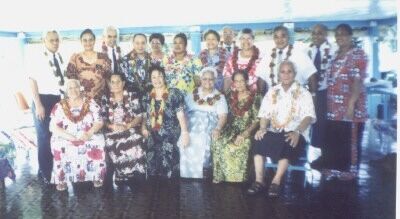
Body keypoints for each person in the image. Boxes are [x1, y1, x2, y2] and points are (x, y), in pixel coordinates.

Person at [247, 61, 316, 197]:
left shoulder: (303, 93)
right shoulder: (272, 91)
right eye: (282, 71)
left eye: (289, 71)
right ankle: (259, 181)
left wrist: (297, 132)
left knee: (288, 139)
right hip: (274, 130)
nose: (286, 75)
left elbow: (308, 117)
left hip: (295, 131)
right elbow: (265, 113)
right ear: (278, 74)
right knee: (258, 139)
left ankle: (276, 182)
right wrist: (262, 128)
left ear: (294, 74)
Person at [324, 23, 368, 181]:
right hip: (334, 107)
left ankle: (351, 171)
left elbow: (357, 82)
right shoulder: (336, 55)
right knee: (338, 139)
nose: (339, 37)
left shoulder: (358, 54)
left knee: (352, 139)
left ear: (350, 36)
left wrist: (351, 105)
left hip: (351, 106)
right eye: (337, 34)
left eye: (343, 34)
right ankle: (337, 168)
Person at [49, 79, 106, 191]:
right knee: (58, 145)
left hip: (87, 133)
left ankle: (96, 176)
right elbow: (53, 127)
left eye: (76, 87)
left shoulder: (90, 102)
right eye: (70, 88)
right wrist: (69, 137)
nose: (73, 90)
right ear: (66, 90)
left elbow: (99, 121)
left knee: (98, 142)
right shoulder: (60, 105)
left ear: (80, 89)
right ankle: (62, 179)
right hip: (67, 135)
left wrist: (89, 133)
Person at [28, 30, 65, 183]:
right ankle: (45, 173)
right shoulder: (37, 57)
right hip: (42, 100)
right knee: (44, 137)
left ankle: (50, 168)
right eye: (52, 40)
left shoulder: (59, 57)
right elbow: (32, 81)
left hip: (57, 100)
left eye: (57, 40)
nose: (55, 43)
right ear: (44, 41)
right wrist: (38, 105)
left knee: (55, 136)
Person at [212, 70, 261, 183]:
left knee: (239, 145)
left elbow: (257, 120)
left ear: (247, 81)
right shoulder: (230, 95)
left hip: (248, 130)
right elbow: (222, 112)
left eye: (242, 81)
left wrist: (245, 133)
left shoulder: (256, 97)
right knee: (218, 141)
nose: (239, 84)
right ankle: (220, 176)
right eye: (236, 81)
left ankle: (236, 179)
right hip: (230, 128)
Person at [142, 65, 189, 178]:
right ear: (150, 79)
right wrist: (143, 127)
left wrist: (184, 133)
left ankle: (170, 191)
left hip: (170, 135)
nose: (157, 80)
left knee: (169, 166)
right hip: (152, 134)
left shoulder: (174, 93)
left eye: (160, 76)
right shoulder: (147, 96)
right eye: (154, 77)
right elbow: (145, 115)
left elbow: (181, 114)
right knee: (152, 165)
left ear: (164, 77)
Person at [180, 67, 228, 179]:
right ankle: (187, 173)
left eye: (211, 79)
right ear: (201, 79)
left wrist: (218, 128)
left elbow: (223, 116)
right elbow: (182, 109)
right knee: (187, 137)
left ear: (215, 80)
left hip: (209, 123)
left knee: (203, 138)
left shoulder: (220, 97)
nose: (207, 81)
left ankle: (202, 170)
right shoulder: (192, 93)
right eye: (205, 79)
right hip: (191, 122)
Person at [100, 73, 146, 187]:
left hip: (129, 127)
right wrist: (112, 127)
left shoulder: (132, 95)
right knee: (111, 142)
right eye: (112, 82)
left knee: (136, 139)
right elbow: (103, 119)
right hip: (113, 129)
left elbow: (139, 116)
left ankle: (135, 174)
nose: (115, 84)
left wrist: (127, 126)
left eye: (118, 81)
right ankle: (121, 174)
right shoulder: (105, 98)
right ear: (109, 84)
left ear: (123, 83)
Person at [307, 24, 336, 170]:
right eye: (314, 33)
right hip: (312, 93)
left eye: (320, 33)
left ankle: (327, 158)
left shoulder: (334, 50)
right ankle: (317, 156)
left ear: (326, 34)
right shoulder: (309, 50)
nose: (316, 36)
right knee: (315, 124)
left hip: (328, 93)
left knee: (326, 125)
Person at [255, 25, 317, 93]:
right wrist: (261, 99)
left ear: (288, 37)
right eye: (276, 37)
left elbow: (312, 77)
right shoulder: (267, 56)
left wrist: (313, 97)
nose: (280, 40)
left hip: (296, 98)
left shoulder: (300, 55)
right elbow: (261, 78)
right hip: (272, 99)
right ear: (273, 38)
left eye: (283, 36)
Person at [66, 29, 112, 103]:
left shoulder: (103, 58)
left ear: (94, 41)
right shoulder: (75, 58)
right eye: (85, 40)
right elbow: (71, 81)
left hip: (102, 98)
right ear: (81, 41)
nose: (88, 42)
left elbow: (108, 78)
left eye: (91, 40)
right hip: (82, 100)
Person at [223, 28, 266, 94]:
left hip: (254, 97)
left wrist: (258, 98)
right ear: (239, 40)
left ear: (253, 39)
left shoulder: (261, 57)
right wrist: (225, 96)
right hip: (234, 98)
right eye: (243, 38)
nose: (246, 41)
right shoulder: (232, 58)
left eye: (249, 38)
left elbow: (262, 79)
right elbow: (227, 79)